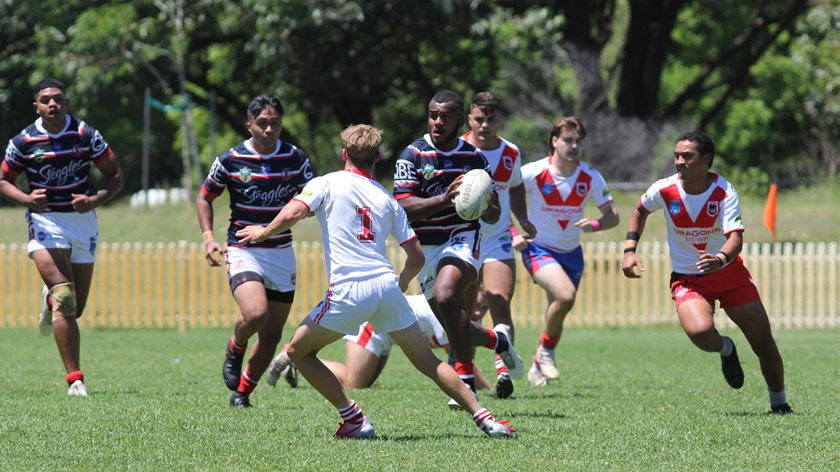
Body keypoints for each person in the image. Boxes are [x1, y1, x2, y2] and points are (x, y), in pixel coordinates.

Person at [237, 124, 516, 439]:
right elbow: (416, 256)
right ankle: (487, 420)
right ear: (378, 157)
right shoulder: (386, 198)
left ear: (344, 154)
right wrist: (402, 282)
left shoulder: (326, 183)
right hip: (385, 287)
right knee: (428, 362)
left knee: (298, 352)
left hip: (349, 291)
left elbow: (292, 213)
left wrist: (261, 233)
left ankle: (353, 418)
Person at [621, 130, 792, 414]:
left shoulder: (724, 191)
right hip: (689, 279)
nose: (679, 161)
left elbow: (736, 238)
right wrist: (629, 249)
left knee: (763, 343)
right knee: (700, 331)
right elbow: (639, 210)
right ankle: (726, 348)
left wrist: (720, 258)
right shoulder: (664, 189)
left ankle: (779, 403)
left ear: (706, 160)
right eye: (676, 155)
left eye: (687, 156)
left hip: (729, 274)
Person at [393, 90, 524, 405]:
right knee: (456, 324)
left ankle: (466, 382)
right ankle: (498, 340)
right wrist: (444, 198)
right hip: (424, 247)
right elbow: (405, 207)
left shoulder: (473, 158)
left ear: (457, 119)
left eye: (445, 116)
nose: (438, 122)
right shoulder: (411, 155)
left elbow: (491, 211)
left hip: (462, 238)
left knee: (447, 294)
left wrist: (484, 206)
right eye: (433, 115)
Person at [0, 78, 125, 396]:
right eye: (46, 99)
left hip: (83, 223)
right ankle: (75, 381)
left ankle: (48, 298)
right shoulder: (24, 141)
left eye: (58, 99)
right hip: (46, 221)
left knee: (74, 307)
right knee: (65, 298)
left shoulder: (85, 134)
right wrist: (28, 201)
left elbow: (115, 176)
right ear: (37, 106)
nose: (53, 104)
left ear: (66, 103)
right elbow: (4, 180)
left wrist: (94, 200)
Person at [196, 95, 314, 408]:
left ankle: (242, 394)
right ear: (249, 124)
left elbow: (312, 199)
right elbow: (204, 197)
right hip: (243, 249)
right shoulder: (232, 159)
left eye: (275, 123)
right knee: (257, 314)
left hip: (280, 251)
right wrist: (209, 238)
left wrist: (308, 208)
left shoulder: (294, 158)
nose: (269, 129)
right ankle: (236, 345)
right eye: (262, 123)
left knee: (273, 334)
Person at [513, 116, 619, 386]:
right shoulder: (534, 171)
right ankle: (546, 353)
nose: (574, 146)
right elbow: (498, 198)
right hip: (538, 248)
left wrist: (595, 224)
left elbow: (612, 216)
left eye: (578, 141)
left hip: (572, 253)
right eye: (568, 140)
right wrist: (513, 233)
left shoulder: (590, 176)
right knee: (566, 295)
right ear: (554, 141)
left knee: (557, 310)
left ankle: (538, 365)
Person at [462, 91, 536, 399]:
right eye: (479, 119)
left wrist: (522, 219)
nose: (484, 125)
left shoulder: (510, 153)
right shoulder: (460, 149)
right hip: (464, 239)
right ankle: (464, 375)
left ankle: (503, 368)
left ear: (499, 121)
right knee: (464, 313)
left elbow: (516, 188)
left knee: (499, 300)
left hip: (498, 239)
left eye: (490, 120)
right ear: (470, 119)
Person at [267, 294, 493, 391]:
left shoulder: (465, 315)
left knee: (362, 384)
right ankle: (294, 355)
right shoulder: (448, 312)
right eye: (478, 303)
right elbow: (461, 361)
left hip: (391, 333)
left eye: (484, 308)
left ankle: (298, 360)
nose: (478, 310)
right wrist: (487, 388)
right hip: (374, 324)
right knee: (354, 382)